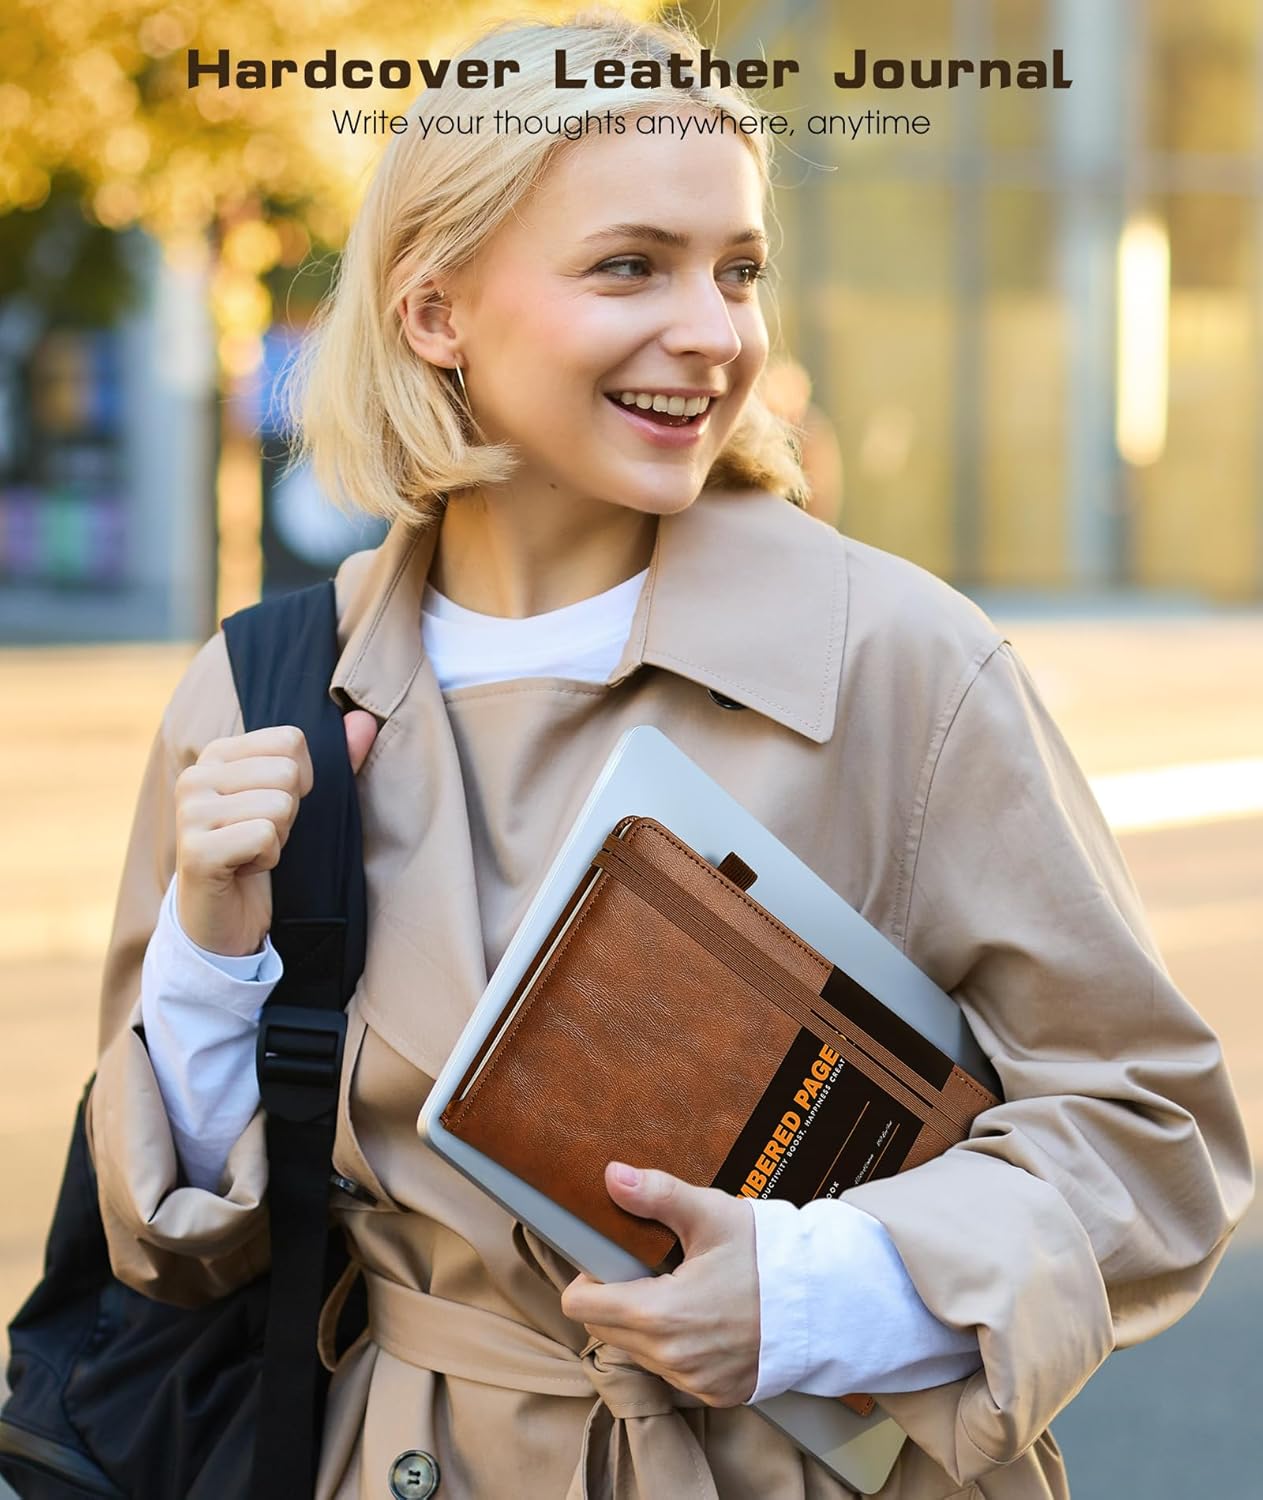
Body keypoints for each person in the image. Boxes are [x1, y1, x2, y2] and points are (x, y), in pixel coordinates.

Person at [85, 10, 1253, 1500]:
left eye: (739, 269)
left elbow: (1155, 1141)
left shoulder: (898, 660)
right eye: (631, 266)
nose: (714, 331)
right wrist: (210, 960)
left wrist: (824, 1291)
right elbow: (181, 1248)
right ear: (435, 312)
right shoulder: (262, 694)